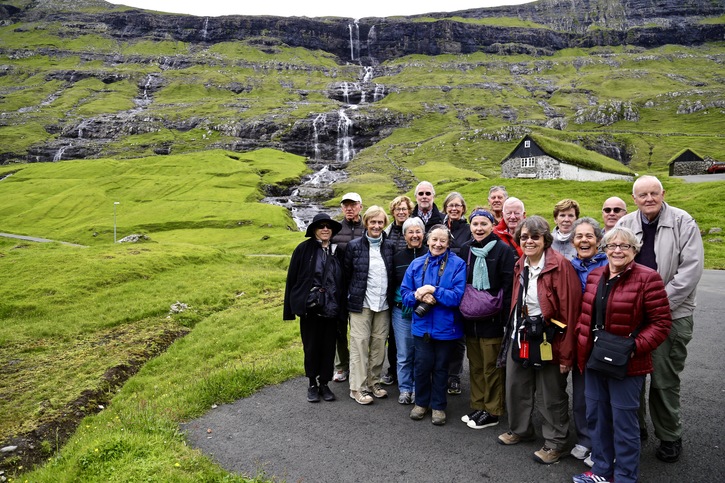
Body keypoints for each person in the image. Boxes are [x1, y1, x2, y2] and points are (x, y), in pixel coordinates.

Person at [573, 227, 672, 483]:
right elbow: (586, 318)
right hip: (595, 360)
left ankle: (626, 477)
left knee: (624, 425)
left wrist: (633, 349)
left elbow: (661, 324)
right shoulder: (595, 276)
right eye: (612, 246)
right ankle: (602, 471)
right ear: (604, 250)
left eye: (624, 246)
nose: (617, 250)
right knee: (597, 419)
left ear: (634, 250)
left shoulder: (648, 278)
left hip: (628, 365)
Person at [617, 175, 704, 463]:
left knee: (664, 380)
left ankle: (669, 435)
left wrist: (656, 306)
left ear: (663, 193)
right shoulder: (625, 224)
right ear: (634, 199)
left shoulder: (683, 221)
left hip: (672, 314)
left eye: (654, 193)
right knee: (632, 377)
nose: (649, 199)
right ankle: (637, 428)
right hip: (632, 315)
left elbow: (690, 270)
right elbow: (614, 263)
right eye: (643, 195)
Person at [496, 216, 582, 465]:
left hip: (550, 339)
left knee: (550, 394)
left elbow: (570, 312)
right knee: (516, 387)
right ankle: (521, 430)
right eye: (524, 237)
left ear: (546, 239)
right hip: (520, 336)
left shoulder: (560, 265)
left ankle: (556, 443)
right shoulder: (520, 262)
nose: (529, 241)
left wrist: (566, 353)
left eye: (535, 237)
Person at [401, 224, 467, 425]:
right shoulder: (416, 264)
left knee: (441, 368)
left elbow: (457, 297)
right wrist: (417, 295)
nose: (438, 244)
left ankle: (438, 406)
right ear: (427, 241)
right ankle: (421, 403)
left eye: (443, 241)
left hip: (446, 328)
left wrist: (434, 291)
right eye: (434, 240)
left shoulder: (458, 264)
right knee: (421, 367)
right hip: (422, 326)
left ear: (448, 244)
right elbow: (404, 294)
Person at [458, 208, 514, 430]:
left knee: (492, 366)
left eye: (484, 224)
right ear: (470, 226)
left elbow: (508, 287)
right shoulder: (465, 249)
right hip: (471, 317)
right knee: (476, 364)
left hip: (493, 318)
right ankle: (479, 404)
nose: (479, 228)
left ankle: (493, 410)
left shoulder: (503, 250)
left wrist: (505, 319)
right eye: (475, 224)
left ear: (492, 225)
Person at [283, 213, 345, 403]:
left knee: (328, 347)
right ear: (314, 230)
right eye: (321, 226)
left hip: (331, 308)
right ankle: (312, 383)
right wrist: (291, 309)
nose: (325, 229)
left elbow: (343, 280)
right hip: (311, 308)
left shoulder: (338, 251)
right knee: (311, 347)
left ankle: (324, 383)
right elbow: (292, 279)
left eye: (328, 226)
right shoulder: (303, 250)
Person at [343, 206, 394, 405]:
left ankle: (374, 383)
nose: (376, 225)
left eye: (380, 222)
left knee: (378, 345)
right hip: (360, 304)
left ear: (384, 224)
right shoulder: (354, 246)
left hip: (383, 304)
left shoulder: (389, 247)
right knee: (359, 345)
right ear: (366, 223)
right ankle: (357, 388)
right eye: (373, 222)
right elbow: (347, 275)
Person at [568, 217, 608, 465]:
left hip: (604, 338)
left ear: (599, 240)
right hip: (578, 338)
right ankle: (584, 438)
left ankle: (601, 443)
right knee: (581, 392)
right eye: (579, 237)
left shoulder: (608, 265)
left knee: (602, 394)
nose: (584, 240)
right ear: (573, 242)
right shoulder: (569, 267)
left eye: (589, 236)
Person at [391, 217, 428, 404]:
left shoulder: (431, 255)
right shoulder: (397, 257)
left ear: (423, 234)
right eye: (410, 232)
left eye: (418, 231)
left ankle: (417, 387)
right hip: (401, 312)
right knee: (404, 352)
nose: (414, 235)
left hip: (427, 311)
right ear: (404, 235)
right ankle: (405, 388)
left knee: (421, 352)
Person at [380, 195, 414, 386]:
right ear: (392, 212)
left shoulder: (414, 230)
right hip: (392, 286)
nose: (401, 212)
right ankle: (393, 370)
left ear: (409, 211)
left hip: (410, 287)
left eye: (404, 209)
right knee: (394, 335)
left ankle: (412, 375)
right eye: (397, 209)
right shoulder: (387, 232)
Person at [331, 192, 364, 383]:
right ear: (342, 208)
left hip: (360, 288)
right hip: (339, 289)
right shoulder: (335, 230)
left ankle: (359, 365)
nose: (349, 208)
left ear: (360, 206)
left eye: (353, 205)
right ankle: (341, 365)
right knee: (339, 329)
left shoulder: (368, 228)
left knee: (360, 330)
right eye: (346, 205)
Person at [442, 191, 471, 395]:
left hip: (461, 285)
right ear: (445, 208)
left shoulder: (469, 230)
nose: (454, 208)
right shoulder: (439, 228)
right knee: (442, 331)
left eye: (457, 205)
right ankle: (441, 373)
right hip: (440, 285)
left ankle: (454, 376)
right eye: (450, 205)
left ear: (463, 209)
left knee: (457, 335)